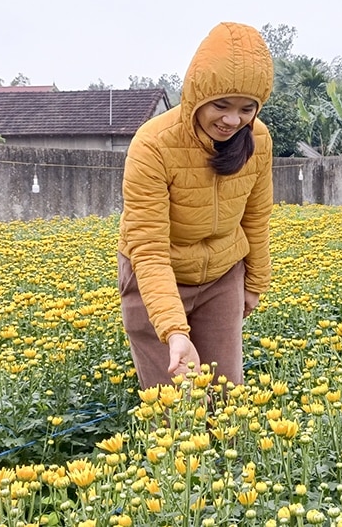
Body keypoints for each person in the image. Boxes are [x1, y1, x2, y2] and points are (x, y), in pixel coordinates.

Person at [117, 22, 275, 390]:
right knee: (174, 406)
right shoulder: (153, 145)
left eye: (246, 108)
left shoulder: (259, 140)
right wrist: (173, 330)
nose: (232, 120)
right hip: (156, 277)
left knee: (226, 397)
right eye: (221, 105)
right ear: (197, 95)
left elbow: (256, 217)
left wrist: (254, 284)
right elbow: (149, 248)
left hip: (222, 274)